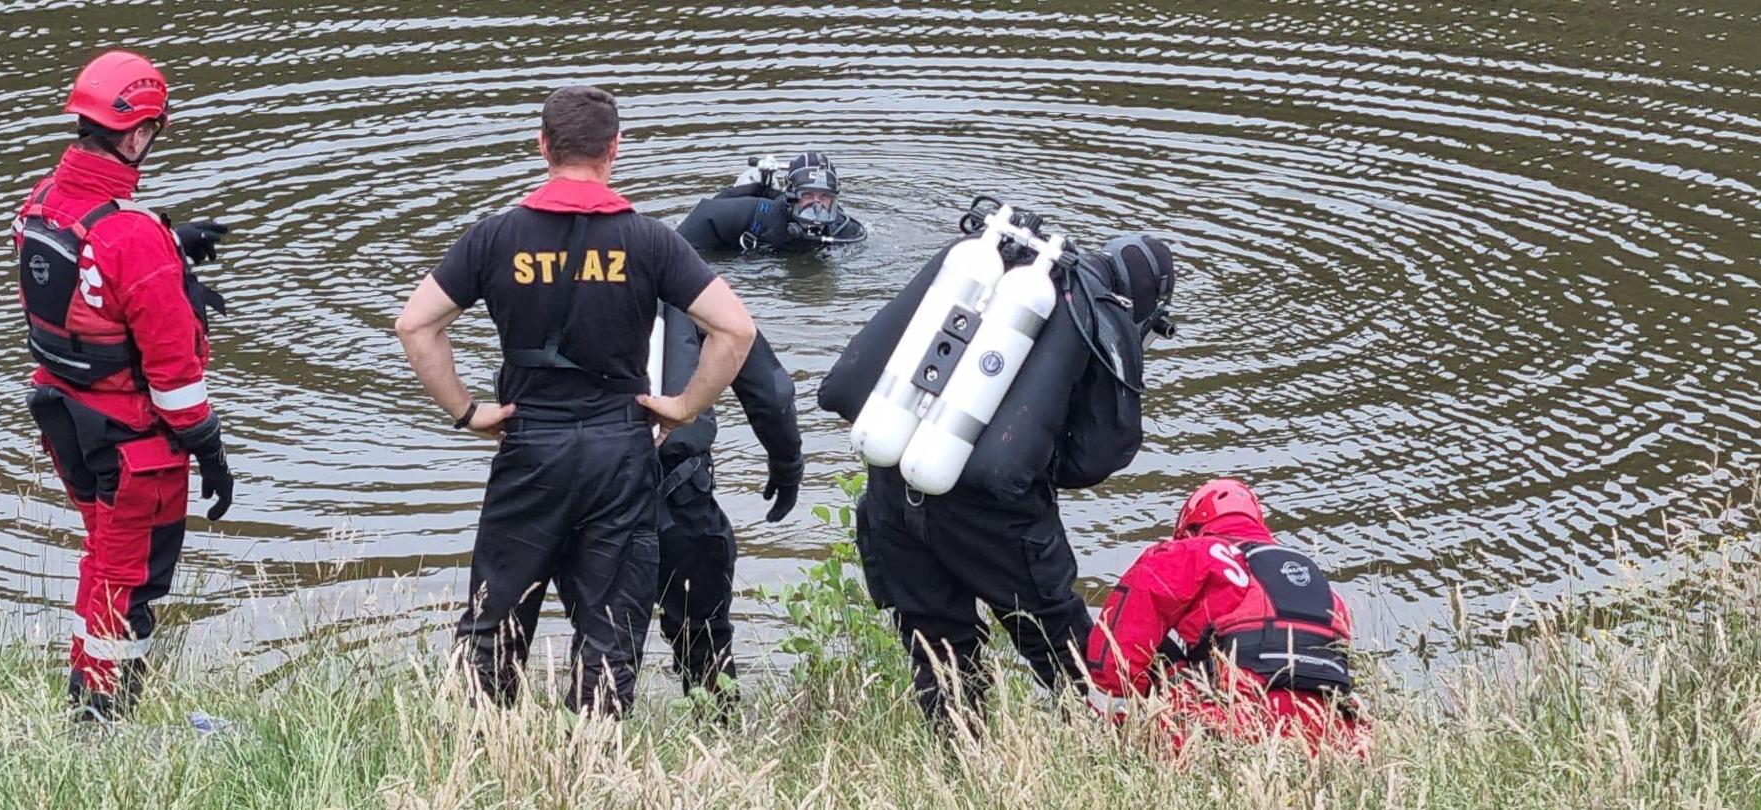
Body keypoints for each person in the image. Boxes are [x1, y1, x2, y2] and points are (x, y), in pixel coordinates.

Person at [394, 85, 758, 715]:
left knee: (494, 622)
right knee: (611, 628)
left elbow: (416, 326)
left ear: (542, 147)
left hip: (529, 445)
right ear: (614, 150)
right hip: (620, 450)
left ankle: (485, 753)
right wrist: (682, 406)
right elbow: (736, 331)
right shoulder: (650, 241)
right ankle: (591, 759)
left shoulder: (494, 237)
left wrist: (467, 412)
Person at [818, 213, 1177, 729]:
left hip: (892, 487)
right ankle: (1109, 745)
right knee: (1059, 638)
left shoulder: (996, 273)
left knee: (939, 645)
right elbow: (1100, 454)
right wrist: (1034, 455)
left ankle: (959, 759)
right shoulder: (1098, 315)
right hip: (992, 515)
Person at [14, 50, 234, 720]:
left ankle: (91, 691)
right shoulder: (133, 240)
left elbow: (87, 266)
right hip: (135, 444)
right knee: (131, 580)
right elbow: (174, 377)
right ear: (138, 132)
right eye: (153, 130)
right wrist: (210, 448)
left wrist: (170, 243)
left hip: (65, 416)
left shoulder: (39, 203)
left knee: (105, 558)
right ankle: (104, 717)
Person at [1085, 479, 1370, 754]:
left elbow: (1116, 654)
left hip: (1232, 726)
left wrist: (1111, 717)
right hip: (1335, 738)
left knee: (1157, 651)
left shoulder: (1192, 552)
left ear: (1190, 529)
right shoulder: (1318, 583)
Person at [650, 276, 805, 705]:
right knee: (703, 631)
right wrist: (786, 463)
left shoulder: (548, 281)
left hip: (576, 483)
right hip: (677, 487)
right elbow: (769, 390)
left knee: (598, 628)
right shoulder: (685, 285)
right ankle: (714, 736)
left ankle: (586, 748)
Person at [675, 151, 867, 251]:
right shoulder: (761, 215)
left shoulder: (844, 229)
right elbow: (704, 216)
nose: (816, 205)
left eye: (824, 197)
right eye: (808, 195)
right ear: (791, 195)